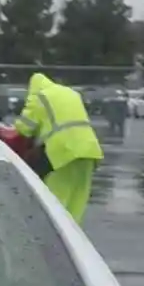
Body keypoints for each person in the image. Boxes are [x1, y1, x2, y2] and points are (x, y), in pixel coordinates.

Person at [11, 71, 105, 223]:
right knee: (76, 201)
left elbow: (24, 128)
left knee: (55, 201)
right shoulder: (71, 93)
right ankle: (73, 241)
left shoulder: (40, 96)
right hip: (89, 150)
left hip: (62, 152)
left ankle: (52, 240)